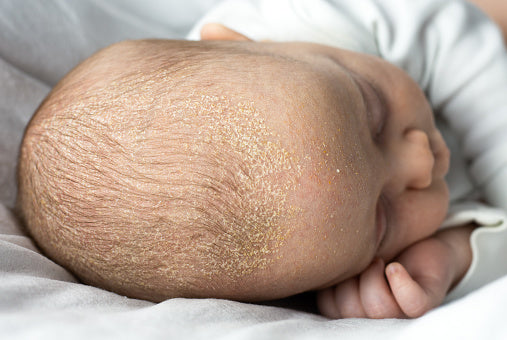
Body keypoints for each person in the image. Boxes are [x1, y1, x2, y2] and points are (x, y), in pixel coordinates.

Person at [16, 0, 507, 319]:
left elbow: (448, 24)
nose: (421, 162)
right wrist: (452, 256)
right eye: (383, 217)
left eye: (373, 114)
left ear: (239, 43)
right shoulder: (318, 257)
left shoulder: (299, 20)